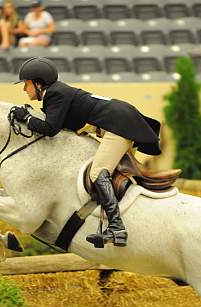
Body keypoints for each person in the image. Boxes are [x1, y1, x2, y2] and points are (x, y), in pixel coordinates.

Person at [12, 57, 161, 248]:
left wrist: (26, 118)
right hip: (120, 118)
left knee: (98, 172)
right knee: (114, 175)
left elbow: (50, 129)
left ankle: (116, 227)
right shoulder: (57, 92)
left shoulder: (55, 94)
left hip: (118, 125)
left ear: (38, 83)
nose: (24, 89)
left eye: (26, 84)